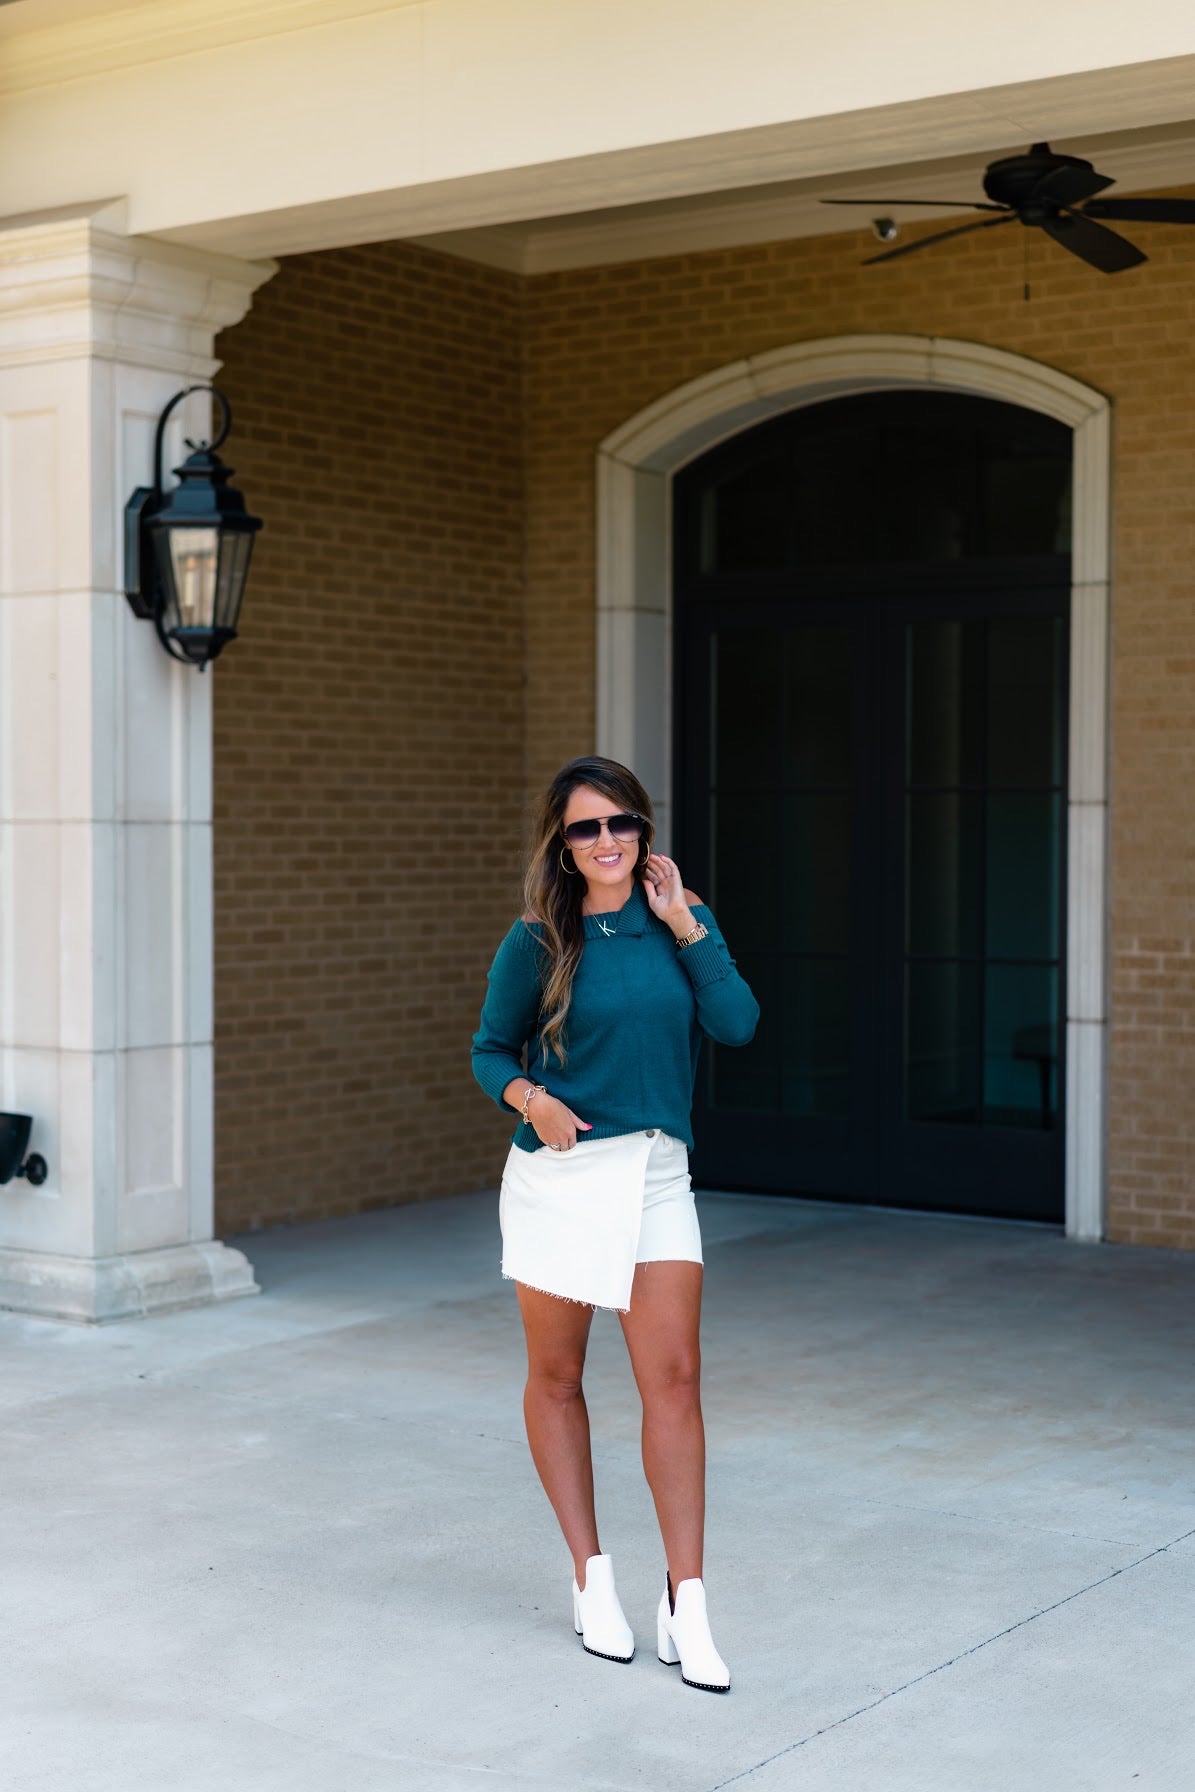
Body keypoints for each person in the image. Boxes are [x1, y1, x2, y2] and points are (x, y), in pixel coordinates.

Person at [471, 755, 759, 1692]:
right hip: (560, 1175)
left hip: (656, 1174)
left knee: (672, 1381)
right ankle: (592, 1577)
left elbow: (738, 1025)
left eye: (621, 823)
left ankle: (688, 1600)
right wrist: (527, 1097)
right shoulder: (536, 939)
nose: (606, 842)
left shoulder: (680, 923)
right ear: (562, 843)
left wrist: (687, 924)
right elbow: (487, 1049)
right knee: (557, 1378)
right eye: (585, 828)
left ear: (643, 830)